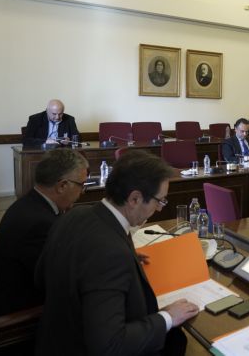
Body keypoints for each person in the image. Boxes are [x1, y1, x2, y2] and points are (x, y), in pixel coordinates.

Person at [35, 151, 199, 356]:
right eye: (159, 201)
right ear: (135, 198)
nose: (158, 209)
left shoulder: (75, 214)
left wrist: (128, 258)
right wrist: (167, 317)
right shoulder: (111, 254)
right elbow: (110, 345)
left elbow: (41, 277)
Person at [0, 149, 88, 318]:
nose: (83, 192)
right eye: (81, 185)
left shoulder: (30, 203)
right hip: (23, 318)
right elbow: (63, 281)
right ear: (62, 186)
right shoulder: (38, 225)